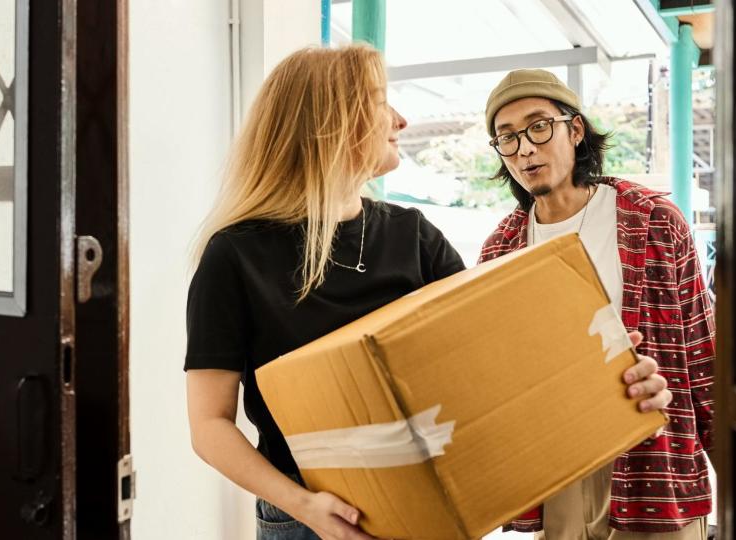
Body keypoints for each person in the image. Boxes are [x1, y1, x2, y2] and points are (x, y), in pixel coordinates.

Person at [185, 46, 672, 540]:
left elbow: (493, 371)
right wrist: (304, 506)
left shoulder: (413, 236)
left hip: (431, 508)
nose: (400, 119)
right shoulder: (235, 255)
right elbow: (209, 424)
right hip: (309, 519)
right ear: (332, 120)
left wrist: (613, 384)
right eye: (381, 103)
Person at [478, 69, 715, 540]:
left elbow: (700, 348)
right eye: (506, 138)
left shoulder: (652, 221)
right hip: (559, 467)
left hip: (655, 463)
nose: (525, 148)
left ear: (575, 129)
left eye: (538, 126)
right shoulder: (500, 249)